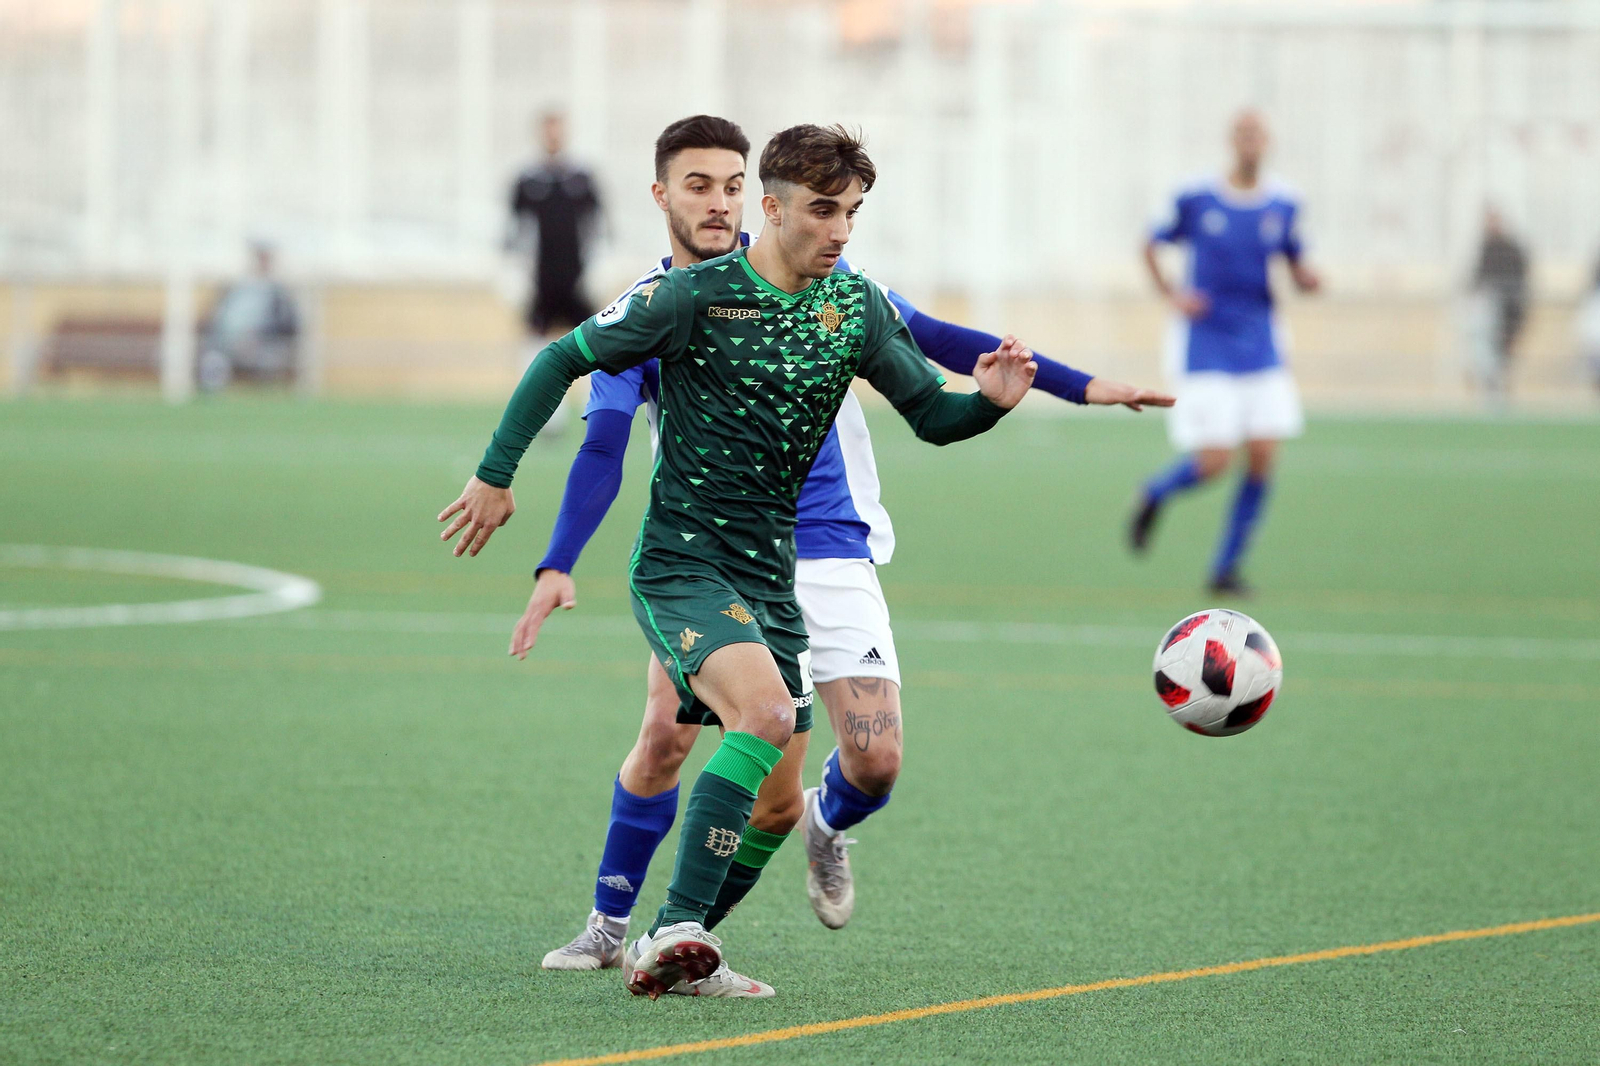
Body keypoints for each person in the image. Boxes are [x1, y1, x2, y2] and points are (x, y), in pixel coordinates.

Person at [524, 116, 1172, 996]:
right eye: (697, 187)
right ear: (661, 197)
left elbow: (939, 339)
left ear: (756, 198)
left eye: (729, 186)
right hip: (711, 556)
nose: (716, 205)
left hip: (826, 544)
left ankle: (777, 862)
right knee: (665, 740)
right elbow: (602, 441)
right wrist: (557, 560)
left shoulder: (822, 280)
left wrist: (1080, 386)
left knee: (844, 773)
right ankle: (611, 927)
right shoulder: (656, 309)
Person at [440, 124, 1038, 999]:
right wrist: (496, 476)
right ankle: (662, 927)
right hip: (683, 563)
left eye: (853, 213)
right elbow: (561, 358)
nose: (841, 231)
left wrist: (987, 403)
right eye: (824, 210)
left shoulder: (855, 306)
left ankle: (680, 951)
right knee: (750, 716)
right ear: (774, 207)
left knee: (782, 803)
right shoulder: (689, 297)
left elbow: (932, 415)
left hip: (772, 574)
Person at [1129, 109, 1321, 595]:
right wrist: (1172, 294)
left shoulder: (1284, 203)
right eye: (1243, 135)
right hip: (1208, 344)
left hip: (1261, 343)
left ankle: (1225, 568)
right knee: (1215, 460)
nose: (1250, 143)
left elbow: (1296, 262)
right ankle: (1154, 492)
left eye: (1258, 135)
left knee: (1262, 455)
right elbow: (1149, 244)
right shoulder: (1197, 197)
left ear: (1268, 142)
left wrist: (1308, 279)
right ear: (1232, 142)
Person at [509, 112, 603, 341]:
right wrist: (518, 271)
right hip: (540, 275)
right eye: (548, 131)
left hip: (576, 273)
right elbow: (516, 227)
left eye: (557, 131)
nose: (553, 137)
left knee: (588, 335)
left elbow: (596, 223)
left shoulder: (581, 178)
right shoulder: (528, 180)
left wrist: (596, 268)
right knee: (535, 334)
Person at [197, 240, 300, 393]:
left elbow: (288, 324)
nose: (262, 262)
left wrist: (259, 338)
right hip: (226, 341)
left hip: (263, 344)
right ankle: (213, 397)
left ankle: (265, 398)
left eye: (265, 258)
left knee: (269, 361)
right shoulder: (236, 285)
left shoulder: (277, 290)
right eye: (260, 257)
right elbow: (217, 316)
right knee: (212, 357)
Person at [1469, 206, 1530, 399]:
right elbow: (1477, 278)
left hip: (1508, 308)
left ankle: (1500, 383)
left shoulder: (1511, 248)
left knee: (1502, 350)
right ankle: (1490, 383)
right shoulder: (1485, 248)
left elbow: (1521, 277)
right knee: (1484, 346)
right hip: (1489, 308)